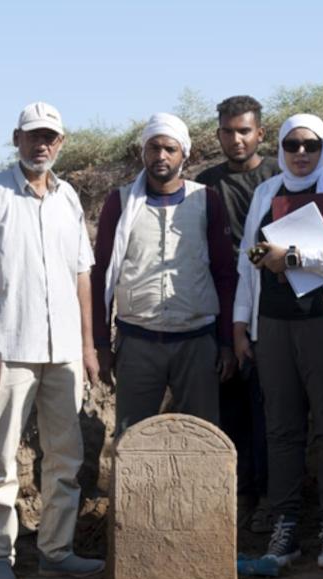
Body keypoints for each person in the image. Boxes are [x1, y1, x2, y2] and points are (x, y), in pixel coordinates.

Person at [0, 102, 104, 579]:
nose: (42, 145)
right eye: (33, 136)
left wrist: (88, 345)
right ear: (16, 139)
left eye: (50, 138)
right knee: (1, 454)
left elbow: (82, 274)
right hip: (10, 346)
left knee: (65, 457)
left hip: (64, 354)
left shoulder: (69, 198)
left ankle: (56, 551)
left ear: (61, 142)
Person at [233, 114, 323, 570]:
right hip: (273, 325)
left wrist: (294, 255)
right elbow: (247, 262)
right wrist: (241, 324)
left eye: (310, 145)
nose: (300, 154)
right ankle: (286, 524)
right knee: (281, 430)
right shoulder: (265, 193)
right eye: (291, 144)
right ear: (279, 146)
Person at [92, 112, 237, 432]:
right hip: (137, 342)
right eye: (153, 148)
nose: (161, 156)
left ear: (184, 153)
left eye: (170, 149)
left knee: (201, 439)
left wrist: (226, 342)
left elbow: (225, 275)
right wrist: (101, 345)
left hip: (197, 342)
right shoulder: (120, 202)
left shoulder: (206, 200)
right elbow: (102, 273)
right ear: (142, 152)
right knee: (132, 439)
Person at [196, 96, 279, 534]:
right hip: (219, 308)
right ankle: (239, 497)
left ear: (260, 133)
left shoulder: (280, 179)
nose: (236, 139)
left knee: (268, 409)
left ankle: (270, 498)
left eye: (244, 130)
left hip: (271, 306)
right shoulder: (205, 185)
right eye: (228, 132)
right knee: (229, 409)